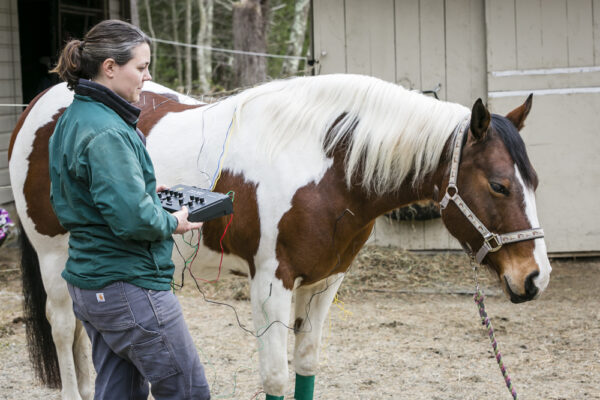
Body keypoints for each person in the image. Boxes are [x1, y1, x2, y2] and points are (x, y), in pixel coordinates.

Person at [48, 19, 210, 399]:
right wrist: (173, 220)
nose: (147, 76)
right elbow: (133, 219)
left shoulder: (73, 118)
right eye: (141, 67)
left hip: (91, 285)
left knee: (118, 392)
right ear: (109, 67)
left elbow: (77, 192)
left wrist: (143, 187)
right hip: (128, 286)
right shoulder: (107, 131)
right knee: (189, 392)